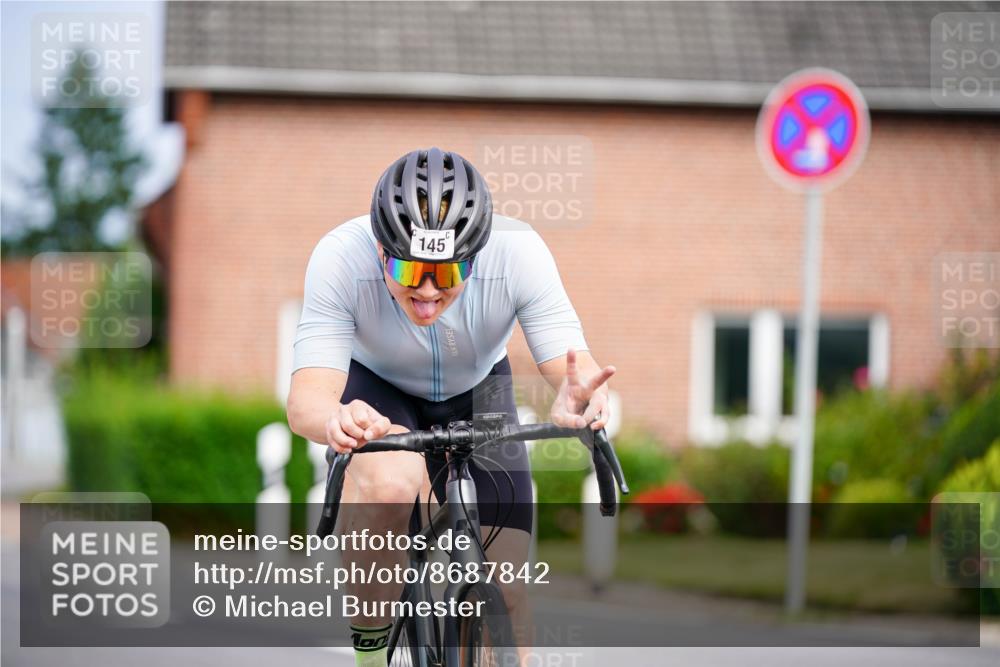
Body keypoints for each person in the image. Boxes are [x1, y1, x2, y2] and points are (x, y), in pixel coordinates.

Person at [286, 147, 614, 667]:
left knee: (507, 588)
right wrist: (336, 418)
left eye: (446, 272)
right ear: (380, 249)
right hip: (378, 393)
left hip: (479, 389)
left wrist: (582, 398)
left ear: (475, 255)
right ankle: (371, 655)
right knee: (391, 484)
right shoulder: (339, 257)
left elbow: (574, 368)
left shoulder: (519, 253)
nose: (427, 291)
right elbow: (307, 398)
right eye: (408, 268)